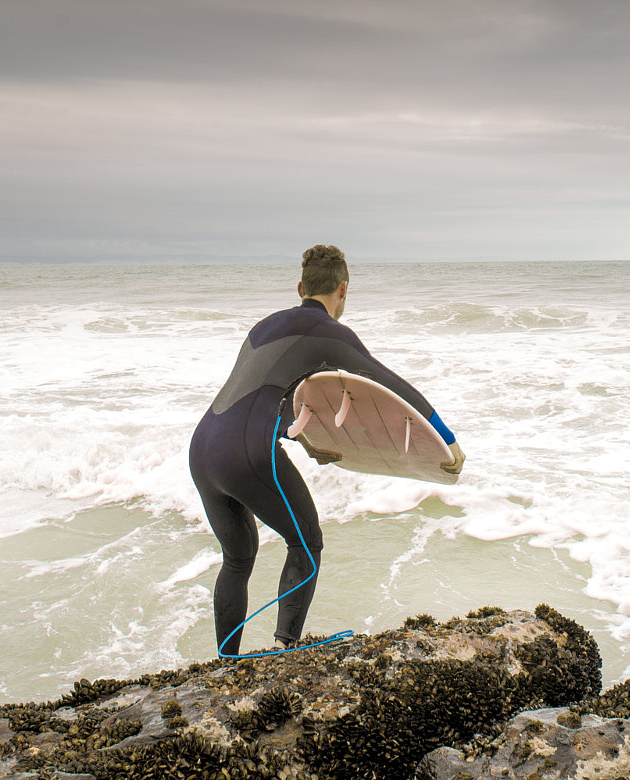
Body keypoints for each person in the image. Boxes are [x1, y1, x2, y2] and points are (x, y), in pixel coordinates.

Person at [188, 244, 464, 656]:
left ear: (300, 286)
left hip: (202, 448)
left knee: (238, 557)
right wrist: (447, 440)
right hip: (247, 451)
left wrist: (310, 442)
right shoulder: (330, 332)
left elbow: (261, 396)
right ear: (343, 290)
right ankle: (284, 652)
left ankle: (226, 660)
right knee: (307, 543)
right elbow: (389, 383)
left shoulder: (263, 327)